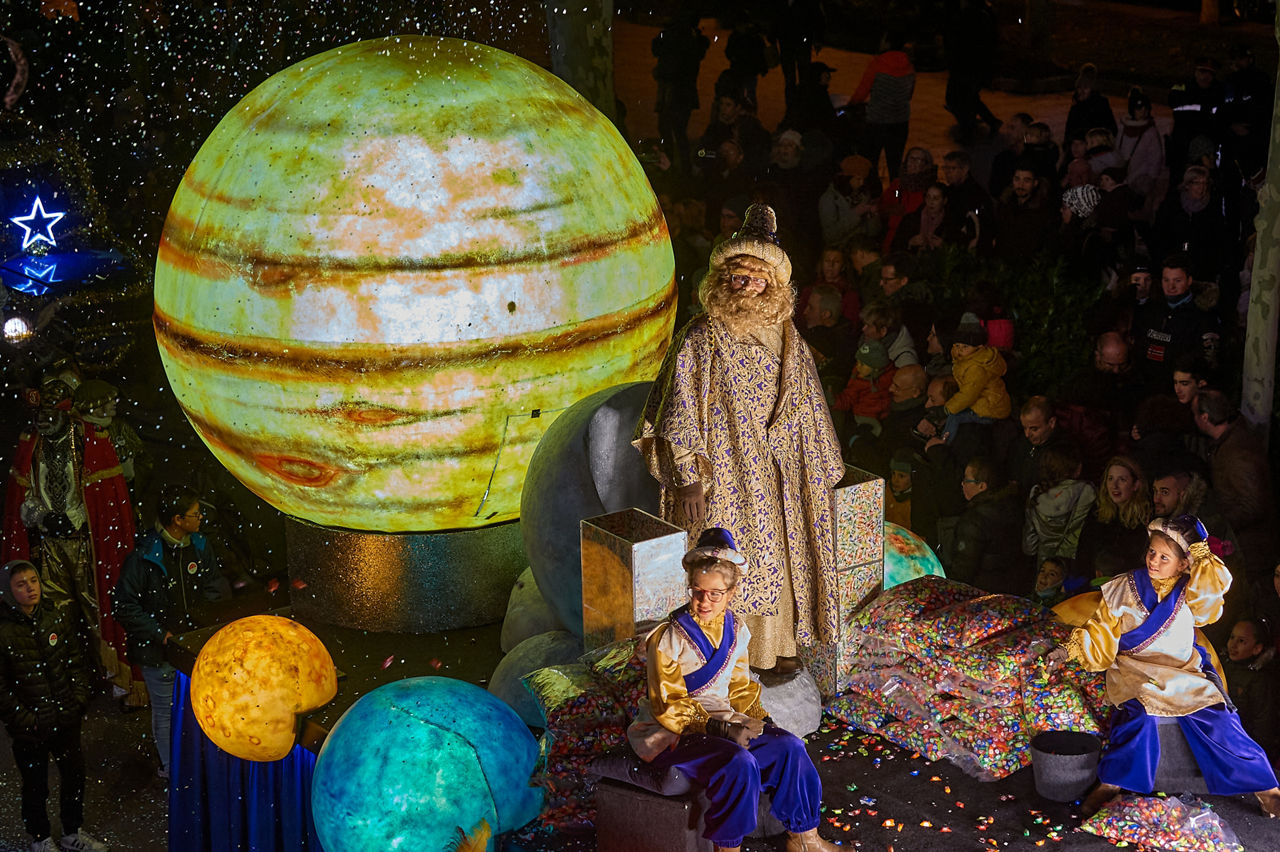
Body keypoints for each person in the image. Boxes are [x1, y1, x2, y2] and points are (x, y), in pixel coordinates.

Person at [635, 204, 845, 674]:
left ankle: (771, 653)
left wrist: (817, 473)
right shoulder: (700, 337)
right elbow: (678, 410)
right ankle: (715, 656)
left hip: (778, 477)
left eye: (755, 277)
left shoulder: (790, 340)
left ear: (773, 284)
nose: (745, 285)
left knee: (775, 560)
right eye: (736, 276)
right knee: (726, 558)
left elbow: (810, 410)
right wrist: (688, 478)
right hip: (723, 474)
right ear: (720, 280)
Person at [1048, 515, 1280, 818]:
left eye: (1164, 557)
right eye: (1151, 552)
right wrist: (1068, 651)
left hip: (1183, 670)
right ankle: (1111, 783)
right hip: (1136, 670)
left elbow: (1213, 592)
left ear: (1183, 564)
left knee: (1218, 719)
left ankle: (1266, 788)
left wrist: (1199, 553)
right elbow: (1099, 630)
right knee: (1140, 717)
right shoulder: (1122, 587)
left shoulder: (1192, 593)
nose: (1154, 561)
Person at [627, 528, 842, 852]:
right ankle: (727, 848)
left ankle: (804, 840)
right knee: (738, 762)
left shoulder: (737, 630)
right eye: (697, 591)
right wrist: (723, 729)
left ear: (731, 592)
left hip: (723, 719)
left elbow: (740, 687)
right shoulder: (666, 638)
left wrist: (763, 724)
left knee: (790, 747)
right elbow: (669, 706)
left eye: (715, 594)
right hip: (674, 732)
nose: (703, 602)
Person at [2, 377, 140, 704]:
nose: (43, 423)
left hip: (88, 545)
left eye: (50, 415)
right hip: (51, 546)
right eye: (39, 416)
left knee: (98, 612)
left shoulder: (90, 438)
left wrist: (74, 518)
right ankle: (71, 684)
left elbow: (100, 496)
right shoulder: (32, 443)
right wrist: (41, 516)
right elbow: (27, 492)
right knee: (58, 616)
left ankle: (116, 680)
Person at [113, 488, 231, 779]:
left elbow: (214, 587)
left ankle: (202, 764)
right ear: (177, 520)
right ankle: (172, 768)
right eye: (195, 514)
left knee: (201, 708)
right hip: (158, 651)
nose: (201, 517)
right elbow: (124, 606)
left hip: (196, 648)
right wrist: (159, 633)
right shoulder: (144, 556)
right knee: (166, 712)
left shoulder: (200, 545)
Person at [0, 560, 108, 852]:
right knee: (35, 785)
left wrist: (79, 699)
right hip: (30, 728)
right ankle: (41, 839)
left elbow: (75, 659)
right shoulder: (4, 630)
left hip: (66, 717)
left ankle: (72, 832)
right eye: (21, 584)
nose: (30, 588)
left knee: (74, 776)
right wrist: (26, 719)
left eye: (33, 581)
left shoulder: (54, 616)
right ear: (8, 591)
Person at [1192, 390, 1277, 584]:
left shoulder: (1238, 453)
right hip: (1245, 546)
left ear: (1204, 417)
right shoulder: (1228, 444)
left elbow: (1253, 505)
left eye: (1194, 414)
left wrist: (1217, 525)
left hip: (1250, 551)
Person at [940, 456, 1023, 594]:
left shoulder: (974, 519)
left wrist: (951, 591)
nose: (962, 484)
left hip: (981, 591)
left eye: (966, 480)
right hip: (1011, 589)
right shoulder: (1013, 507)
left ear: (982, 486)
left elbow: (964, 567)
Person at [1022, 443, 1097, 579]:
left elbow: (1030, 539)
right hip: (1071, 563)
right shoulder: (1085, 491)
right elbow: (1077, 529)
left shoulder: (1036, 491)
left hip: (1043, 561)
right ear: (1077, 467)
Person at [850, 29, 915, 180]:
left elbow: (861, 92)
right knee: (895, 164)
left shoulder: (877, 64)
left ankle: (874, 196)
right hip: (900, 121)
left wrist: (851, 105)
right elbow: (909, 94)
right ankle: (896, 196)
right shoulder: (910, 66)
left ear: (888, 43)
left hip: (876, 122)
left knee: (870, 162)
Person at [1076, 456, 1153, 580]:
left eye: (1122, 480)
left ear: (1136, 485)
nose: (1114, 486)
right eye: (1110, 479)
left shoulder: (1145, 516)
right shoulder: (1098, 512)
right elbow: (1084, 552)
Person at [938, 314, 1009, 443]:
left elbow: (969, 393)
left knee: (955, 416)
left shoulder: (976, 367)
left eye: (965, 347)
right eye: (958, 345)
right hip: (981, 404)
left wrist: (948, 407)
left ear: (979, 348)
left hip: (989, 410)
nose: (960, 350)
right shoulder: (966, 359)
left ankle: (943, 443)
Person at [1220, 617, 1277, 761]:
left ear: (1257, 648)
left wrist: (1254, 757)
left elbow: (1263, 724)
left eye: (1241, 641)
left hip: (1244, 747)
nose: (1233, 645)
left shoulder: (1259, 680)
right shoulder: (1221, 667)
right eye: (1232, 637)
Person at [1064, 63, 1117, 144]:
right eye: (1079, 87)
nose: (1081, 91)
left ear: (1092, 89)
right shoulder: (1076, 107)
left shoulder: (1101, 106)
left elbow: (1111, 129)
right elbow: (1068, 132)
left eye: (1085, 88)